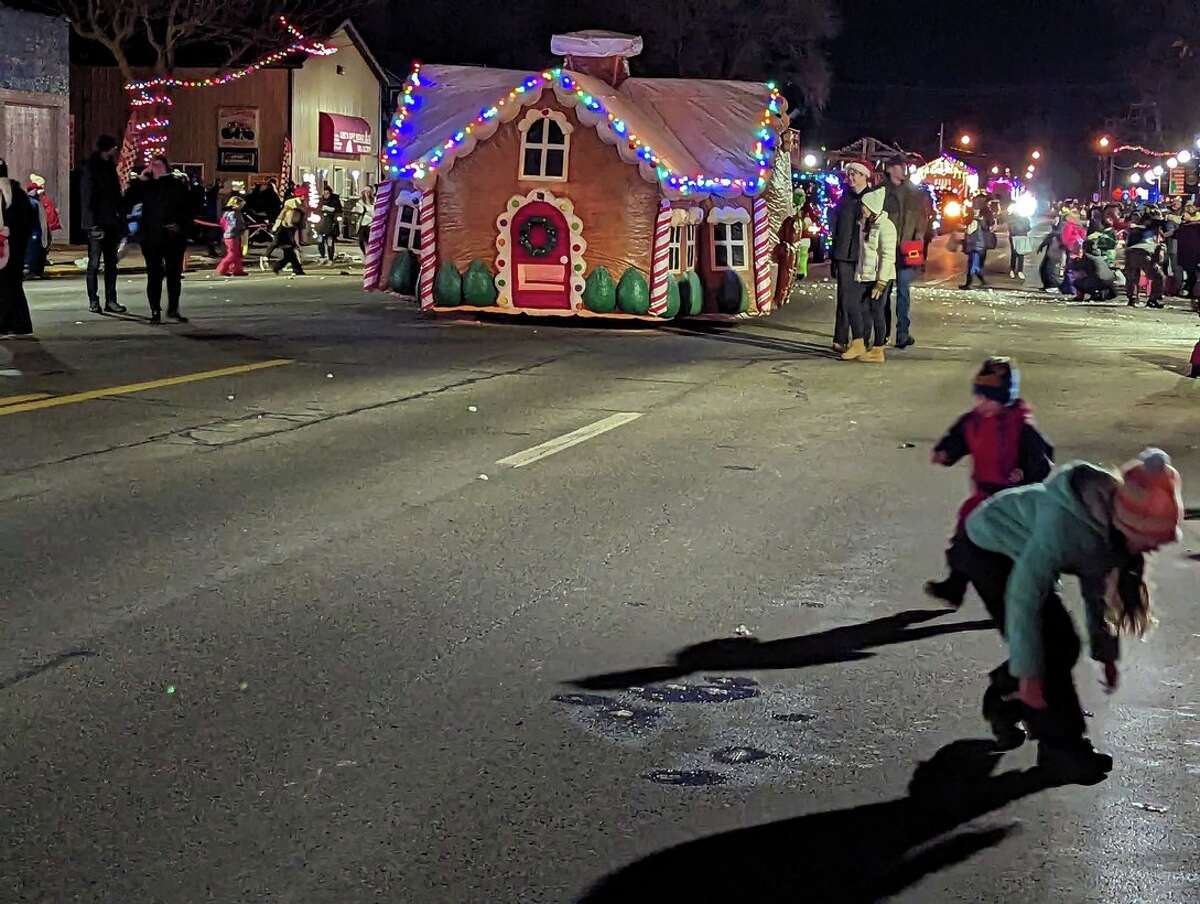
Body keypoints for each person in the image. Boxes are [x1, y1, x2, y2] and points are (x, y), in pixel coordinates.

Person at [950, 447, 1182, 779]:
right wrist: (1030, 673)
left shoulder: (1108, 530)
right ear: (1131, 526)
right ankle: (1061, 750)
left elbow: (1096, 593)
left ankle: (1005, 695)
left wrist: (1105, 655)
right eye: (1153, 539)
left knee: (1059, 645)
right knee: (1052, 646)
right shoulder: (1066, 527)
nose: (1156, 548)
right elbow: (1024, 597)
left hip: (1021, 551)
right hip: (986, 548)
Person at [925, 358, 1054, 608]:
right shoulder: (973, 422)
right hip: (983, 497)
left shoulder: (1021, 426)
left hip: (1013, 501)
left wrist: (1024, 473)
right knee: (964, 538)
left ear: (1004, 398)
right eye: (978, 396)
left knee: (1017, 550)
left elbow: (1042, 459)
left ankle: (1038, 593)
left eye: (987, 398)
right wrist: (945, 452)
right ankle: (955, 585)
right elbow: (957, 438)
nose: (980, 402)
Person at [126, 156, 193, 323]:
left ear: (165, 167)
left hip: (173, 236)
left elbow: (188, 208)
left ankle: (173, 308)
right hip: (151, 237)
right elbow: (128, 202)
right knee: (154, 275)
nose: (154, 167)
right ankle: (155, 309)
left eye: (158, 164)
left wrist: (179, 225)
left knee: (174, 274)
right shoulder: (144, 185)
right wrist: (139, 180)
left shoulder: (176, 184)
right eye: (152, 164)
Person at [840, 186, 895, 363]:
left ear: (873, 207)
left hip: (879, 277)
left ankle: (878, 349)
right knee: (852, 305)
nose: (862, 209)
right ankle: (858, 343)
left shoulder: (886, 226)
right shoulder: (865, 224)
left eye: (864, 206)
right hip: (865, 274)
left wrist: (881, 282)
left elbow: (888, 256)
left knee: (876, 311)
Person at [882, 155, 928, 349]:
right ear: (890, 169)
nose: (904, 170)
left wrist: (919, 238)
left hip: (906, 250)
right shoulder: (882, 191)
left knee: (903, 292)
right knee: (883, 293)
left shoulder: (914, 193)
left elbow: (922, 220)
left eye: (904, 166)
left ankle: (902, 333)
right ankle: (882, 333)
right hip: (886, 249)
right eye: (900, 166)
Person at [79, 134, 127, 314]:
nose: (116, 150)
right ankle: (93, 300)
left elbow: (116, 196)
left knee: (111, 264)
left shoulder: (110, 167)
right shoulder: (91, 168)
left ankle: (111, 300)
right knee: (94, 264)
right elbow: (87, 197)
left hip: (111, 222)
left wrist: (120, 219)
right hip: (97, 224)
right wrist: (92, 224)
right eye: (113, 147)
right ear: (107, 148)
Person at [829, 162, 870, 352]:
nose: (851, 178)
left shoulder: (872, 198)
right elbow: (836, 228)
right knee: (844, 298)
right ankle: (840, 338)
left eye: (855, 174)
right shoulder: (844, 198)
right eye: (849, 174)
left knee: (863, 299)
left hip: (865, 255)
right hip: (844, 255)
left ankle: (862, 339)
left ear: (864, 176)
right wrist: (834, 255)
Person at [0, 158, 35, 337]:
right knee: (14, 284)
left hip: (4, 247)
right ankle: (20, 324)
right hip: (17, 246)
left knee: (4, 285)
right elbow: (28, 221)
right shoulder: (18, 193)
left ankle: (5, 324)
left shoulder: (4, 193)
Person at [1125, 216, 1165, 308]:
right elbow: (1158, 249)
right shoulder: (1155, 232)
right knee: (1158, 276)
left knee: (1133, 277)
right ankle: (1153, 299)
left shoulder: (1135, 230)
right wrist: (1156, 262)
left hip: (1131, 252)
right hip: (1145, 253)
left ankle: (1132, 298)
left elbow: (1128, 243)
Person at [262, 196, 306, 276]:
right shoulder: (289, 210)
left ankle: (294, 268)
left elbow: (299, 224)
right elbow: (284, 219)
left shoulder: (299, 210)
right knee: (289, 251)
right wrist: (276, 226)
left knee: (289, 253)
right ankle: (280, 266)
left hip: (290, 230)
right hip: (284, 230)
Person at [23, 179, 50, 279]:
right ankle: (32, 270)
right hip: (34, 232)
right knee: (33, 251)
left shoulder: (35, 202)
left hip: (37, 232)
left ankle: (35, 271)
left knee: (37, 251)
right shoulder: (32, 202)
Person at [216, 195, 248, 276]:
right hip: (232, 235)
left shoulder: (226, 212)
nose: (242, 207)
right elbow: (234, 225)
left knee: (237, 253)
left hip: (229, 235)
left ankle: (237, 270)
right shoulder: (234, 213)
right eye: (241, 205)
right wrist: (243, 227)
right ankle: (221, 269)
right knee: (232, 254)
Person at [1174, 204, 1200, 298]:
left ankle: (1190, 291)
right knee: (1190, 273)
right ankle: (1190, 291)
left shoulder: (1196, 225)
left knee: (1192, 274)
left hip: (1194, 252)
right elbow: (1176, 234)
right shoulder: (1183, 225)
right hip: (1185, 252)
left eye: (1185, 213)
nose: (1183, 215)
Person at [960, 208, 988, 289]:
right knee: (975, 266)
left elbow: (969, 232)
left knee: (972, 266)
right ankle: (982, 281)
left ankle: (968, 284)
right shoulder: (978, 221)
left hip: (975, 247)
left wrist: (965, 228)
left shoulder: (974, 222)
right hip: (978, 246)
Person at [1038, 213, 1065, 292]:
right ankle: (1047, 285)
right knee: (1043, 268)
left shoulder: (1061, 229)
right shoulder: (1054, 229)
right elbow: (1049, 238)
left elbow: (1058, 236)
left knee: (1050, 269)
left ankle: (1053, 285)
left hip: (1056, 251)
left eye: (1055, 219)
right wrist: (1042, 246)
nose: (1054, 221)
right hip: (1050, 250)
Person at [316, 183, 342, 265]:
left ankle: (330, 258)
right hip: (321, 223)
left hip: (331, 224)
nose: (325, 195)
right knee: (320, 241)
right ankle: (322, 257)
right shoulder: (320, 201)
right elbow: (316, 210)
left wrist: (330, 209)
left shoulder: (335, 201)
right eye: (324, 193)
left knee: (330, 241)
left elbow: (339, 211)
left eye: (327, 193)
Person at [1007, 208, 1031, 279]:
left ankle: (1017, 270)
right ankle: (1014, 270)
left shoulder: (1024, 218)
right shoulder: (1013, 218)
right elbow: (1028, 228)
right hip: (1016, 237)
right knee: (1017, 254)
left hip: (1019, 237)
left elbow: (1028, 228)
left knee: (1018, 254)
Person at [354, 185, 376, 255]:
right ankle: (365, 253)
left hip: (371, 224)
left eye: (368, 191)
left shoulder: (374, 201)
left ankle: (370, 254)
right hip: (363, 224)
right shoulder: (360, 202)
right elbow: (359, 210)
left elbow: (374, 212)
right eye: (365, 191)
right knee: (362, 241)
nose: (367, 193)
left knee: (370, 241)